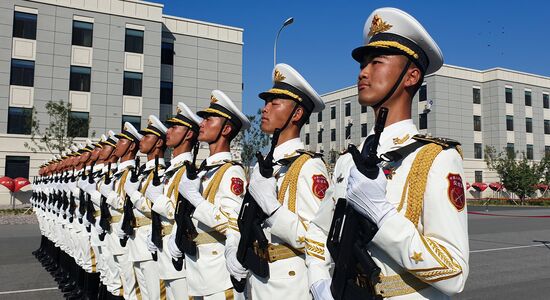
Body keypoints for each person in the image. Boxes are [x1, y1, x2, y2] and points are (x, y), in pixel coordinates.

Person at [308, 7, 469, 299]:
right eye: (362, 65)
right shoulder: (348, 160)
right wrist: (318, 280)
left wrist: (383, 217)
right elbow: (319, 232)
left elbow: (454, 273)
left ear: (411, 76)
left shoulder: (435, 158)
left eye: (376, 62)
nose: (363, 73)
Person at [234, 63, 331, 299]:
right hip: (257, 281)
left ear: (297, 114)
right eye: (266, 103)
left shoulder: (308, 166)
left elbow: (317, 238)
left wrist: (272, 208)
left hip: (289, 289)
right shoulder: (262, 164)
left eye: (274, 103)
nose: (265, 109)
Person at [178, 90, 250, 299]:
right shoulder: (204, 170)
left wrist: (197, 200)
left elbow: (232, 223)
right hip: (197, 270)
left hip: (218, 277)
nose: (202, 123)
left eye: (209, 119)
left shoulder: (231, 171)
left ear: (226, 129)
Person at [146, 103, 203, 300]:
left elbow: (180, 212)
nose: (167, 131)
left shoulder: (187, 171)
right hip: (164, 248)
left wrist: (157, 200)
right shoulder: (171, 170)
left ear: (188, 134)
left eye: (174, 127)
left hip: (178, 247)